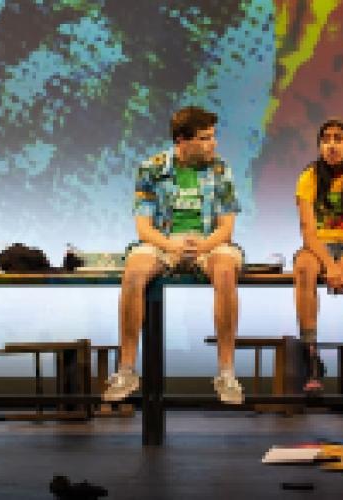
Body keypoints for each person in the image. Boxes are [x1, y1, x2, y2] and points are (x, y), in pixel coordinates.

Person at [103, 105, 244, 404]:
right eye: (205, 138)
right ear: (182, 141)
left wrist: (201, 247)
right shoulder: (151, 169)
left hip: (208, 241)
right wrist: (171, 247)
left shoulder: (220, 169)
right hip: (164, 241)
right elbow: (144, 228)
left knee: (225, 269)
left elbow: (226, 227)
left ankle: (226, 372)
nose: (213, 144)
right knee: (134, 272)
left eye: (213, 137)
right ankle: (126, 371)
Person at [294, 117, 343, 394]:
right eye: (325, 139)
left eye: (338, 138)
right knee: (303, 268)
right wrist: (331, 265)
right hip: (319, 246)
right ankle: (311, 358)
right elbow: (308, 231)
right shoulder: (309, 176)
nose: (331, 145)